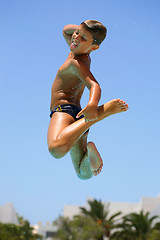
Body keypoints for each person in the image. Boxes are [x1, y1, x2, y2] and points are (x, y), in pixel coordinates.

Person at [47, 20, 128, 180]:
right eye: (77, 33)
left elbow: (95, 86)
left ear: (94, 47)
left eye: (83, 38)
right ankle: (90, 134)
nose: (75, 37)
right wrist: (83, 30)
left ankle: (100, 113)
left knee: (56, 149)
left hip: (64, 112)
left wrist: (92, 106)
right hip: (78, 117)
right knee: (83, 174)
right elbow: (65, 30)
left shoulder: (76, 62)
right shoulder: (81, 55)